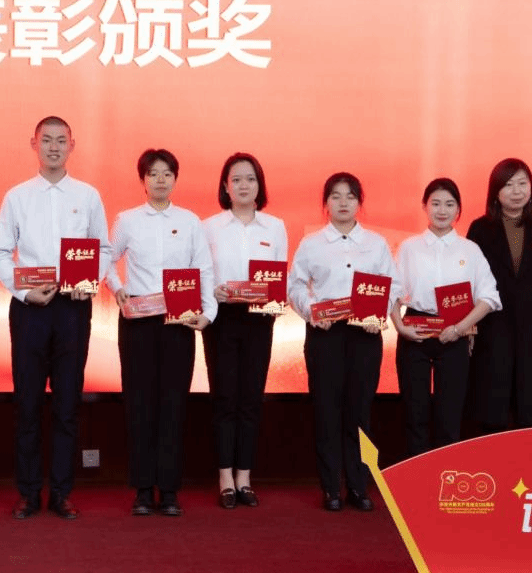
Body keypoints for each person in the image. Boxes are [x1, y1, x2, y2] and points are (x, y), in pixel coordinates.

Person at [0, 115, 111, 520]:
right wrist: (23, 291)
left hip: (72, 308)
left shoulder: (88, 195)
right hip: (30, 308)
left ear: (72, 146)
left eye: (62, 140)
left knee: (67, 402)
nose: (54, 147)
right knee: (27, 402)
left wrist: (88, 281)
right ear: (34, 144)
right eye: (47, 140)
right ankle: (28, 492)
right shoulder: (17, 196)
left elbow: (104, 249)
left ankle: (61, 492)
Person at [107, 148, 215, 517]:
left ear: (175, 179)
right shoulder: (127, 220)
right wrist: (117, 287)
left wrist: (208, 313)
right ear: (143, 180)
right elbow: (106, 258)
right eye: (153, 173)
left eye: (167, 173)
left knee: (173, 403)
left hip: (178, 321)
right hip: (137, 319)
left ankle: (169, 490)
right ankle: (142, 489)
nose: (160, 180)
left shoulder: (190, 221)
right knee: (139, 403)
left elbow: (203, 268)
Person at [287, 172, 399, 513]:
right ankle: (330, 487)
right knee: (326, 411)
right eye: (335, 196)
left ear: (359, 203)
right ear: (326, 203)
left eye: (350, 196)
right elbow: (294, 286)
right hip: (325, 335)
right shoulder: (312, 244)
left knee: (359, 412)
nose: (343, 202)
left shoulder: (376, 243)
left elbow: (393, 285)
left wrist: (378, 315)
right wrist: (311, 312)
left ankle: (359, 486)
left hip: (364, 336)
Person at [390, 178, 501, 457]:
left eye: (449, 204)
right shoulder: (409, 247)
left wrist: (461, 328)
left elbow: (489, 297)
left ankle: (445, 474)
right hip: (414, 331)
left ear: (458, 210)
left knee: (449, 414)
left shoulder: (470, 249)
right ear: (425, 207)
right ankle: (415, 474)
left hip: (455, 332)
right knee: (414, 412)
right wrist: (400, 327)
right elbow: (392, 292)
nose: (442, 210)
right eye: (436, 203)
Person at [201, 153, 287, 509]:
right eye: (236, 179)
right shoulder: (209, 227)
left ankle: (244, 478)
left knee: (251, 398)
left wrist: (273, 300)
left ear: (259, 185)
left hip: (258, 319)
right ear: (225, 186)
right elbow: (201, 273)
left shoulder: (275, 227)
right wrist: (213, 291)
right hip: (221, 318)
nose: (243, 185)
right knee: (225, 398)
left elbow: (279, 278)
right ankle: (224, 477)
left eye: (250, 179)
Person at [465, 158, 532, 433]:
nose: (517, 191)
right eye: (509, 185)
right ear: (495, 191)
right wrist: (469, 326)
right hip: (492, 324)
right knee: (490, 402)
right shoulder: (479, 229)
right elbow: (469, 282)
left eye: (523, 183)